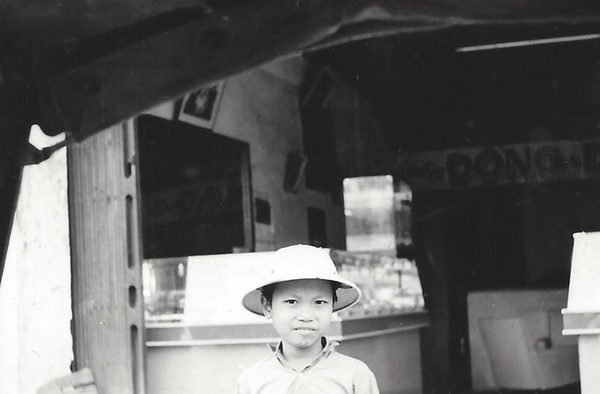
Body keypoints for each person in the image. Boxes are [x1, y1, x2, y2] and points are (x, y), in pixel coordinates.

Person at [237, 244, 380, 394]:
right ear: (267, 307)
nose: (306, 316)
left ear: (332, 307)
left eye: (319, 302)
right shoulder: (252, 381)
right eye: (292, 302)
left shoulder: (355, 376)